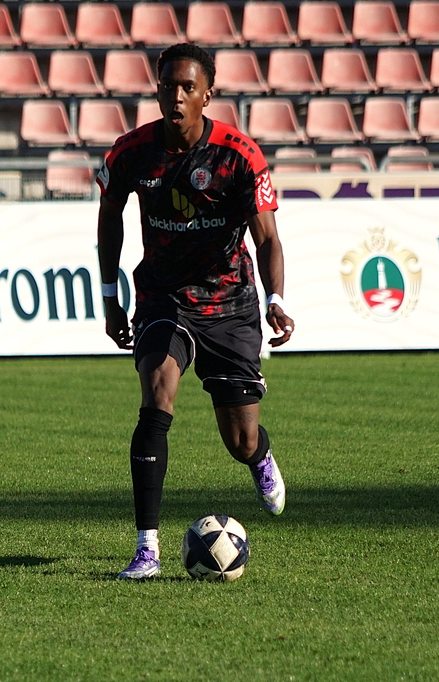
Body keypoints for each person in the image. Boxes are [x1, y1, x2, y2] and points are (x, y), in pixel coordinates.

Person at [96, 44, 295, 580]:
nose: (177, 96)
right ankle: (146, 548)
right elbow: (109, 218)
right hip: (163, 297)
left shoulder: (239, 155)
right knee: (157, 391)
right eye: (168, 86)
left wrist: (275, 300)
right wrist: (111, 298)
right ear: (157, 90)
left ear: (208, 94)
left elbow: (267, 237)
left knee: (240, 440)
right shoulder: (131, 153)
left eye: (188, 87)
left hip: (229, 304)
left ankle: (259, 457)